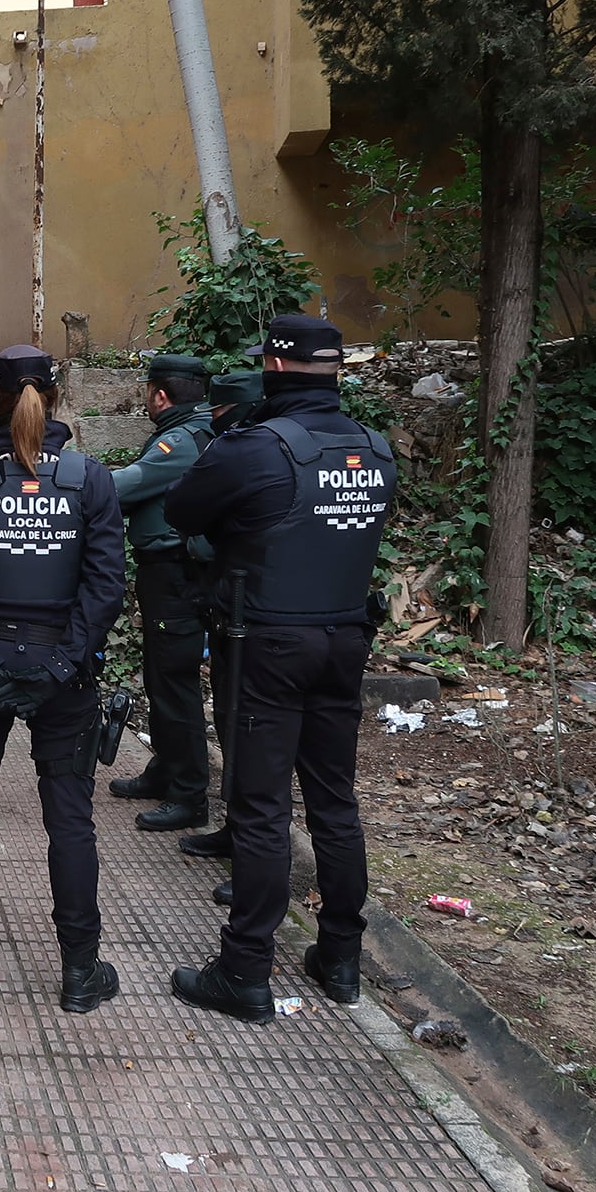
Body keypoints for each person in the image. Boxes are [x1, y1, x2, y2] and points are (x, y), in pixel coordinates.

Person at [162, 315, 398, 1023]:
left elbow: (183, 509)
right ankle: (341, 959)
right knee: (335, 802)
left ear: (271, 365)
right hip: (347, 638)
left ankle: (245, 971)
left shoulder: (259, 447)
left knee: (262, 808)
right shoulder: (376, 448)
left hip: (270, 642)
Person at [0, 346, 128, 1013]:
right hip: (64, 677)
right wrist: (64, 663)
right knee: (70, 822)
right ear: (57, 397)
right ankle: (79, 973)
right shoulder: (92, 482)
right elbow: (106, 588)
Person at [101, 354, 217, 834]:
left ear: (160, 395)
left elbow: (131, 484)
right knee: (161, 676)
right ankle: (166, 770)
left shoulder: (184, 441)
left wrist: (66, 485)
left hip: (176, 574)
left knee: (174, 683)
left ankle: (189, 794)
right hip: (166, 573)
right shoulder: (193, 430)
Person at [177, 366, 267, 900]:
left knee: (258, 744)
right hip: (246, 609)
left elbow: (186, 509)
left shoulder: (249, 450)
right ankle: (239, 837)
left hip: (262, 617)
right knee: (234, 728)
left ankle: (258, 873)